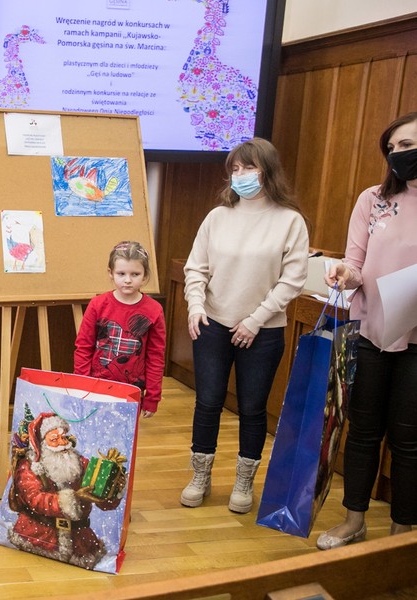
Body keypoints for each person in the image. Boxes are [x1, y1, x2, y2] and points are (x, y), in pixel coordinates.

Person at [182, 137, 309, 513]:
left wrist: (256, 320)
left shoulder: (290, 221)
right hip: (213, 323)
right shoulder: (217, 217)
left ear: (267, 171)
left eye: (248, 167)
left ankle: (243, 480)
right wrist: (195, 304)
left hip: (263, 330)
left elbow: (292, 280)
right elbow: (196, 267)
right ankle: (200, 475)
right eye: (235, 169)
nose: (240, 175)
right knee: (208, 403)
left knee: (253, 408)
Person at [316, 112, 417, 550]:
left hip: (415, 342)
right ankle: (354, 520)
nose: (399, 154)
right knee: (362, 431)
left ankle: (401, 534)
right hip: (372, 331)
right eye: (392, 148)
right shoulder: (372, 199)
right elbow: (355, 264)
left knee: (409, 441)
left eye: (408, 145)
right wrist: (344, 273)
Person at [6, 412, 125, 570]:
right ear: (41, 444)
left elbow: (103, 501)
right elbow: (35, 499)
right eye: (54, 439)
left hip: (79, 542)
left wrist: (113, 487)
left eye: (64, 437)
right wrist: (74, 498)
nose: (62, 443)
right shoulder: (29, 467)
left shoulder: (80, 463)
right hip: (39, 537)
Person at [74, 240, 166, 418]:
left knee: (124, 433)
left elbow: (156, 357)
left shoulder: (154, 310)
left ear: (145, 276)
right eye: (121, 273)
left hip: (131, 391)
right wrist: (81, 386)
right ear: (111, 273)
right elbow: (83, 348)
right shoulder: (97, 305)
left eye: (135, 274)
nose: (128, 280)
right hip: (96, 388)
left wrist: (153, 397)